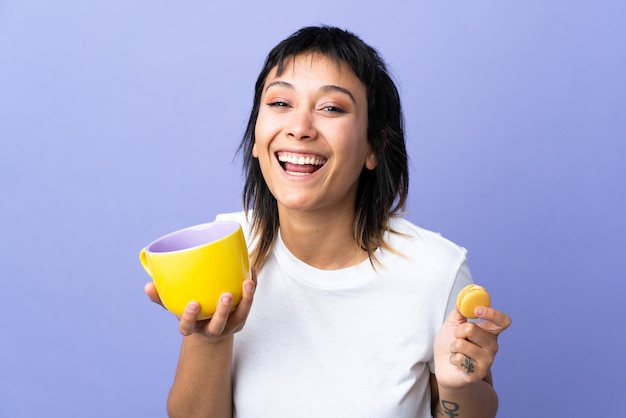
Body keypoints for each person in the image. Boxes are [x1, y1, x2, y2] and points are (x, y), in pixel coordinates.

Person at [145, 25, 511, 418]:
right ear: (256, 136)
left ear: (374, 145)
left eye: (332, 108)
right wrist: (210, 340)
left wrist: (459, 383)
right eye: (281, 103)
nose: (300, 128)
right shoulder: (226, 254)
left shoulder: (436, 269)